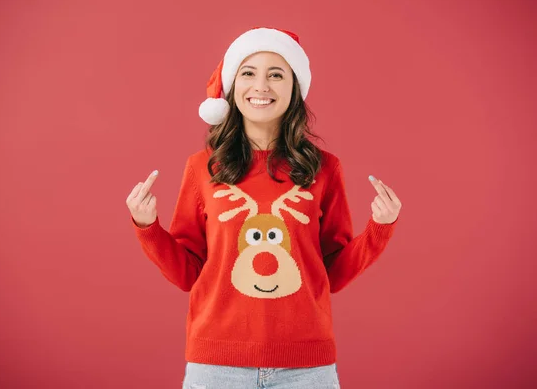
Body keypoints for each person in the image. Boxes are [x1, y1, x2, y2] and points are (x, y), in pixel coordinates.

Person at [125, 27, 402, 389]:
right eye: (249, 73)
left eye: (276, 74)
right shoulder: (202, 168)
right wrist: (148, 228)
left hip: (306, 369)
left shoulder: (324, 168)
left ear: (294, 88)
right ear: (233, 86)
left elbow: (332, 273)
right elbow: (187, 274)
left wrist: (380, 229)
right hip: (216, 366)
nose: (261, 87)